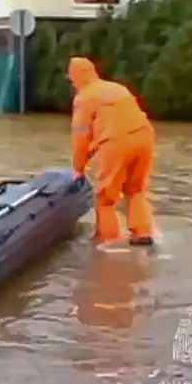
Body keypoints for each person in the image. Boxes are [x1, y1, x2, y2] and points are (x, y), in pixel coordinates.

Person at [67, 56, 156, 246]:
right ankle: (142, 233)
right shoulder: (116, 88)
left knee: (105, 196)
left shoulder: (84, 98)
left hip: (116, 142)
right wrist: (95, 147)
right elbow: (116, 120)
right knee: (136, 189)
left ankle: (107, 240)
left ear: (75, 78)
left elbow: (81, 135)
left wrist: (78, 169)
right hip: (144, 136)